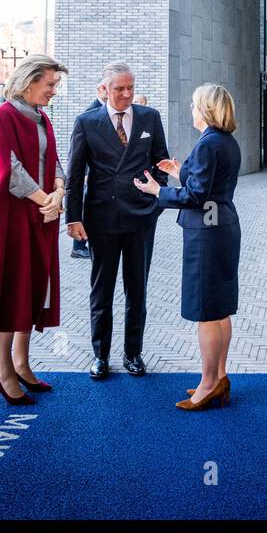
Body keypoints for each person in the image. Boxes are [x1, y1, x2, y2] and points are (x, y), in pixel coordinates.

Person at [0, 54, 68, 405]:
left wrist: (59, 192)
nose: (54, 90)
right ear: (29, 81)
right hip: (12, 219)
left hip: (41, 214)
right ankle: (4, 371)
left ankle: (22, 363)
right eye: (50, 84)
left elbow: (53, 161)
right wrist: (46, 199)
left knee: (33, 286)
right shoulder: (1, 117)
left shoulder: (42, 119)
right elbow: (10, 168)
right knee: (12, 288)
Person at [134, 83, 240, 411]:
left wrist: (157, 191)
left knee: (206, 311)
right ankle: (219, 377)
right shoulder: (225, 142)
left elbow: (196, 196)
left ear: (206, 109)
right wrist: (181, 171)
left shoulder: (208, 144)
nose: (191, 110)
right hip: (222, 227)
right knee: (219, 309)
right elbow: (207, 185)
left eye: (194, 105)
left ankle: (208, 385)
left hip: (206, 234)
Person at [65, 62, 170, 381]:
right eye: (119, 88)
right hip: (102, 218)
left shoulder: (150, 117)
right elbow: (75, 174)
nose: (126, 94)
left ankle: (133, 353)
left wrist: (157, 200)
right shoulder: (86, 122)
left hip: (140, 218)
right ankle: (100, 356)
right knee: (102, 290)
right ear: (105, 89)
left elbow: (161, 162)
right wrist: (73, 218)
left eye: (130, 88)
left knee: (137, 289)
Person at [70, 84, 108, 260]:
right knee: (86, 209)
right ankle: (78, 246)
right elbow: (81, 151)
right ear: (100, 89)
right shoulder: (89, 114)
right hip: (90, 174)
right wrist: (85, 173)